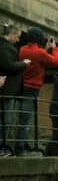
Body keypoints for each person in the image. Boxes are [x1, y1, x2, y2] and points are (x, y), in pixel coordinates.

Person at [18, 27, 58, 154]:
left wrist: (46, 49)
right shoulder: (40, 53)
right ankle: (20, 148)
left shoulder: (22, 49)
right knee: (26, 119)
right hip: (33, 88)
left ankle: (23, 143)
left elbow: (38, 55)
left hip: (22, 87)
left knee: (23, 117)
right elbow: (56, 61)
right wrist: (54, 48)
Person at [0, 24, 30, 155]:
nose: (18, 40)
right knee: (5, 120)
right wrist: (24, 63)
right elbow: (9, 66)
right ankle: (2, 148)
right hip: (7, 91)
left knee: (6, 120)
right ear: (11, 34)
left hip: (7, 90)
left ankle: (4, 147)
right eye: (17, 37)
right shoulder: (5, 47)